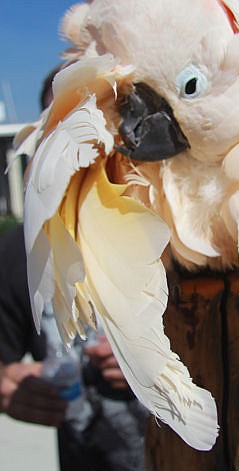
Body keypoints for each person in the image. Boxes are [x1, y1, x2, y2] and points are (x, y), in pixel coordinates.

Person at [0, 67, 148, 471]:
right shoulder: (20, 249)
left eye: (104, 118)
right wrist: (8, 388)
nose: (85, 144)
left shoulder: (182, 232)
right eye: (64, 124)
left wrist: (162, 359)